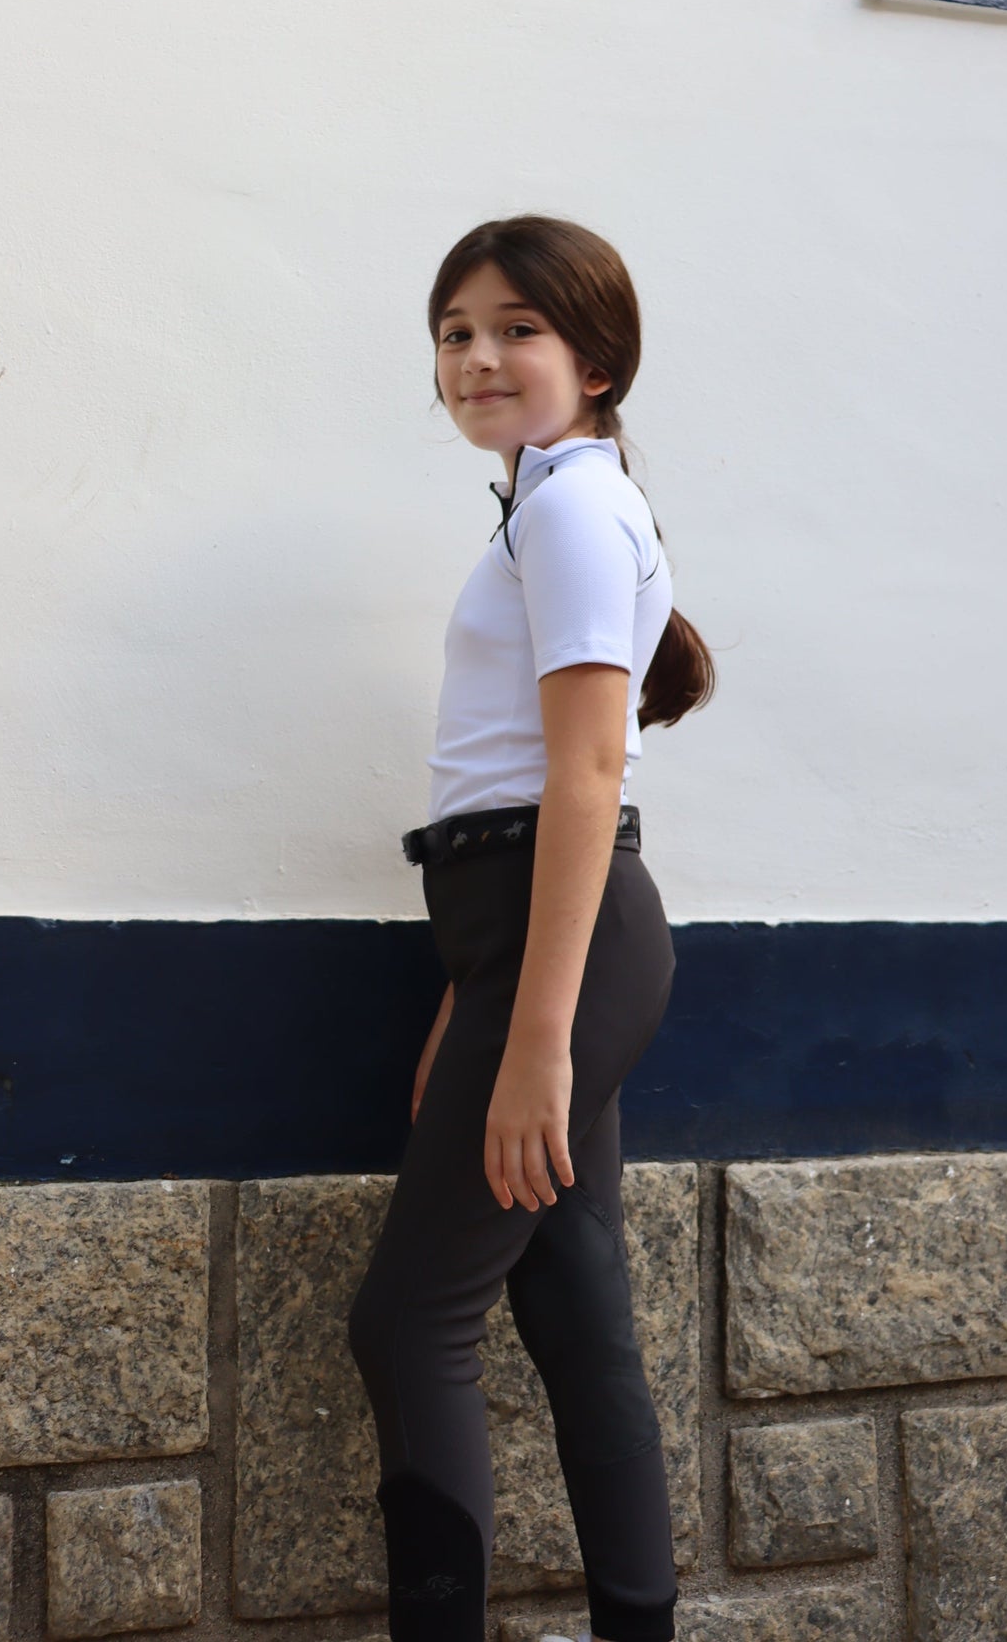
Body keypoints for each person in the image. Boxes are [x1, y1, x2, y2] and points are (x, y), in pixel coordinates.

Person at [347, 213, 715, 1642]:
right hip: (527, 938)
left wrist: (535, 1036)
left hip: (566, 945)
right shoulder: (554, 503)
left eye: (518, 329)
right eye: (455, 333)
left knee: (408, 1322)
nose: (478, 358)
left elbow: (586, 774)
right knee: (570, 1298)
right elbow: (512, 792)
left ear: (598, 361)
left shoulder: (568, 508)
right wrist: (473, 997)